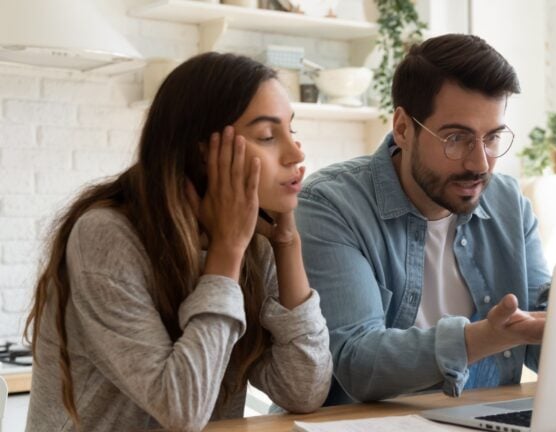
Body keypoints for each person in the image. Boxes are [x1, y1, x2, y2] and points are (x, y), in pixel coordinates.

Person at [294, 34, 556, 406]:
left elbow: (543, 352)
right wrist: (485, 337)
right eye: (456, 138)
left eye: (492, 137)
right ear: (403, 128)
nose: (479, 163)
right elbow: (356, 362)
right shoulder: (331, 205)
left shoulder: (508, 202)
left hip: (485, 419)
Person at [23, 52, 332, 431]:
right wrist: (226, 251)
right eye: (267, 136)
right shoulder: (106, 236)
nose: (296, 152)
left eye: (291, 130)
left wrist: (288, 245)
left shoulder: (258, 243)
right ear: (203, 153)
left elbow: (303, 390)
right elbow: (181, 410)